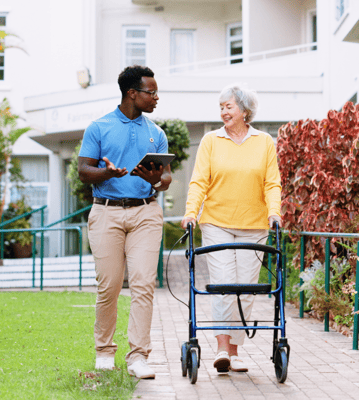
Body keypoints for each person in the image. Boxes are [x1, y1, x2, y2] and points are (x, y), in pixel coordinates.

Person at [78, 65, 172, 379]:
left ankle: (138, 357)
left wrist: (158, 179)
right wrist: (108, 173)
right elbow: (83, 171)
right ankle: (104, 352)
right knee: (109, 287)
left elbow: (166, 177)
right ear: (132, 93)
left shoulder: (156, 133)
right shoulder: (99, 127)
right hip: (106, 212)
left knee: (145, 284)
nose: (156, 97)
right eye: (151, 92)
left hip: (146, 212)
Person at [181, 83, 281, 374]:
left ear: (245, 110)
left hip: (254, 224)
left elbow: (271, 183)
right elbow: (199, 180)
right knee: (224, 285)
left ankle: (236, 352)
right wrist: (190, 213)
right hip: (217, 223)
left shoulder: (264, 142)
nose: (224, 111)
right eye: (221, 107)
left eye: (229, 106)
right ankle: (223, 349)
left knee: (246, 290)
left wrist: (274, 212)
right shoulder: (211, 141)